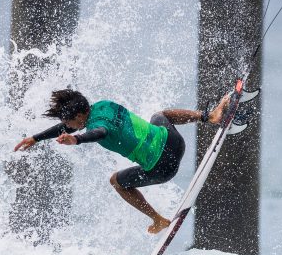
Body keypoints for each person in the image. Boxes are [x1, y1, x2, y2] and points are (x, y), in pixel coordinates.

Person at [14, 89, 230, 234]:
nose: (65, 125)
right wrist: (36, 137)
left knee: (116, 181)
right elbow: (77, 127)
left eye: (67, 121)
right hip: (174, 141)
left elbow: (100, 131)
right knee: (159, 115)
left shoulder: (93, 126)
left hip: (164, 166)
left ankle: (158, 219)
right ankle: (209, 116)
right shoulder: (102, 105)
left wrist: (76, 139)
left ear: (79, 116)